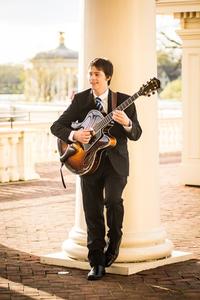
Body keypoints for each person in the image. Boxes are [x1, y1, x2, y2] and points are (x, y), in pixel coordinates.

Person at [50, 57, 142, 280]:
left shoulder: (125, 101)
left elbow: (137, 133)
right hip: (87, 163)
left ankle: (115, 238)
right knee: (92, 212)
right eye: (90, 74)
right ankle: (97, 263)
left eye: (96, 75)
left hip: (115, 163)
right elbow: (56, 126)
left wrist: (126, 123)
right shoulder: (81, 99)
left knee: (112, 201)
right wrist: (75, 135)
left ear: (108, 77)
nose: (92, 78)